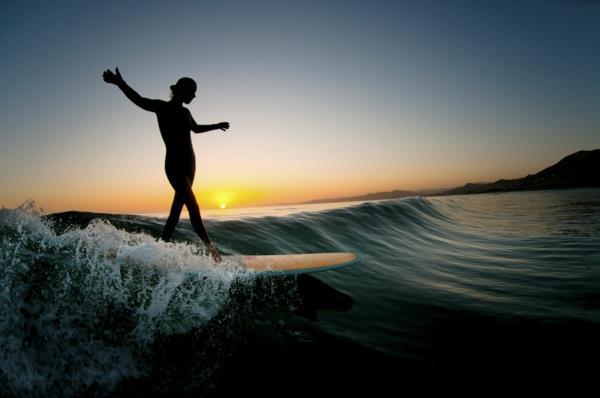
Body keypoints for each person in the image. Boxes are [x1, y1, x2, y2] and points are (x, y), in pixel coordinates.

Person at [103, 67, 229, 262]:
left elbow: (195, 129)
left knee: (176, 209)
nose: (194, 95)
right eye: (192, 91)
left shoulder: (186, 112)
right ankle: (211, 249)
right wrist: (120, 84)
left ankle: (160, 248)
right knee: (193, 205)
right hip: (174, 165)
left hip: (190, 165)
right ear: (180, 89)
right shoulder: (162, 107)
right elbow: (139, 100)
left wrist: (216, 125)